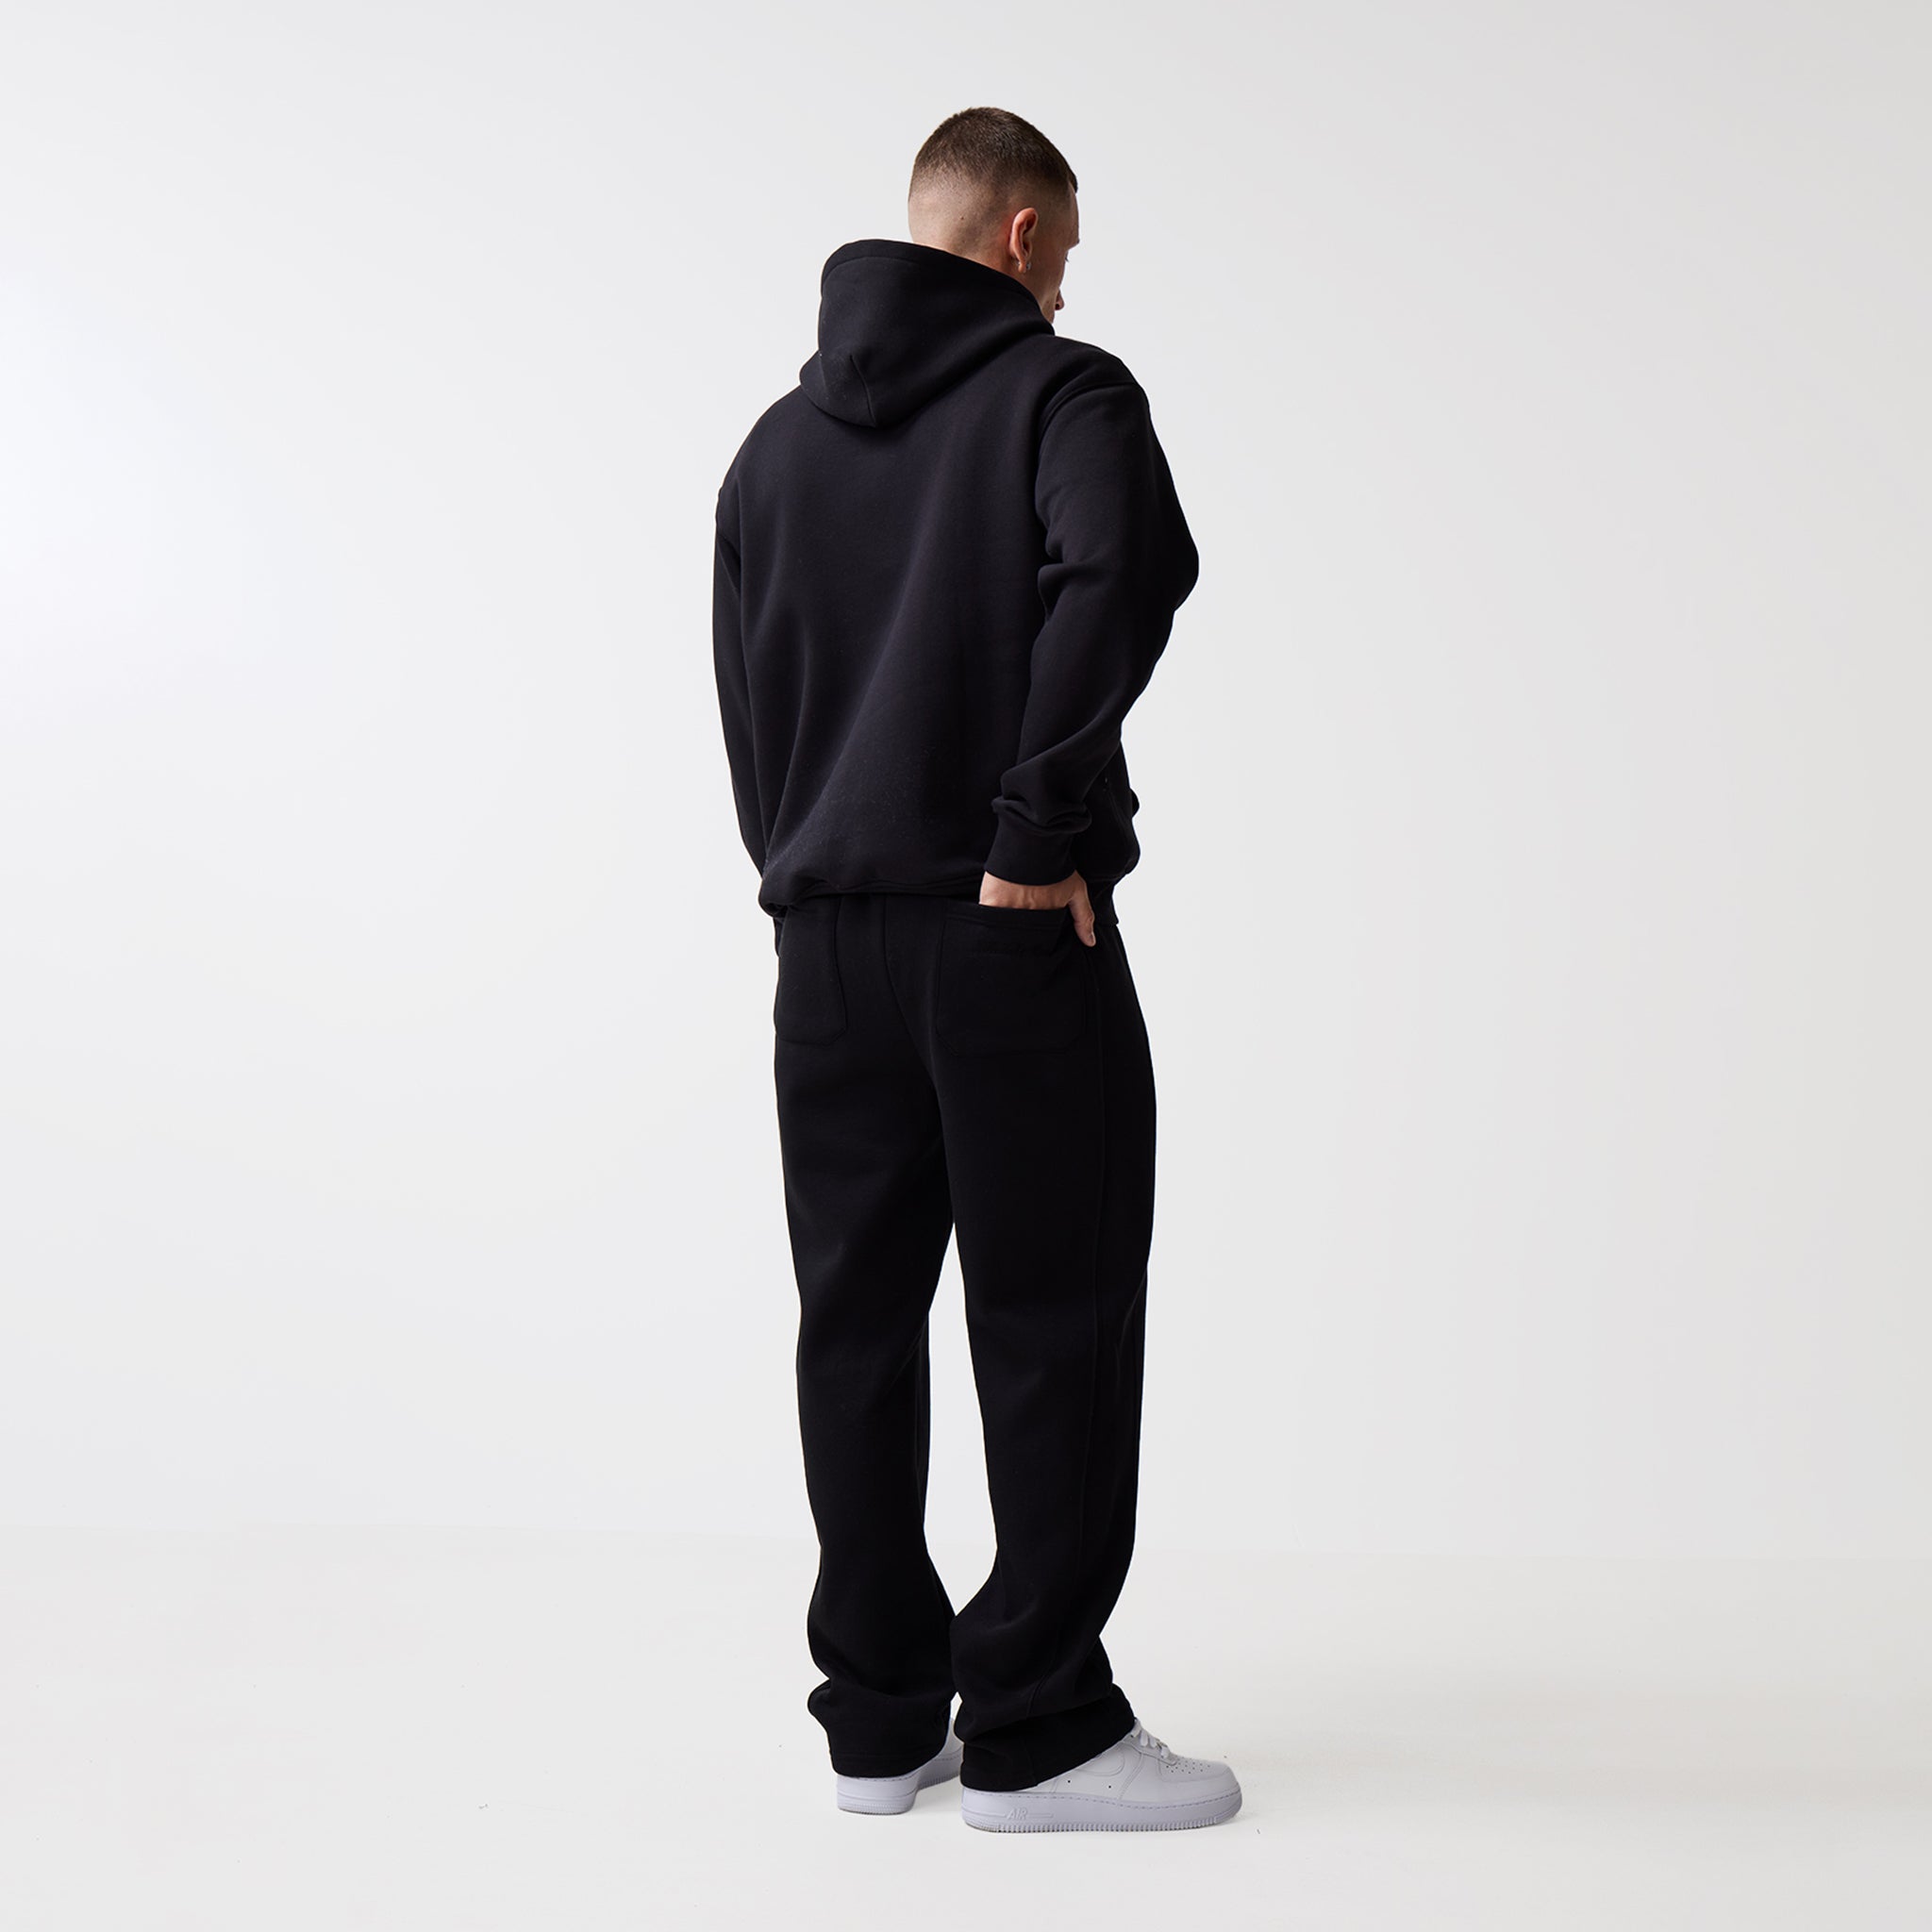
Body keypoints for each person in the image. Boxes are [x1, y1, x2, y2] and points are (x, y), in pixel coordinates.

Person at [710, 106, 1240, 1833]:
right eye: (1064, 258)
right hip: (1007, 934)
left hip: (824, 945)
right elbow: (1124, 571)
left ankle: (879, 1723)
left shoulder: (770, 451)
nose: (1065, 291)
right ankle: (1039, 1727)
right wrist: (1033, 830)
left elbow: (749, 694)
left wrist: (808, 868)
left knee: (855, 1322)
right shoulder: (1064, 395)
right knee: (1052, 1312)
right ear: (1022, 237)